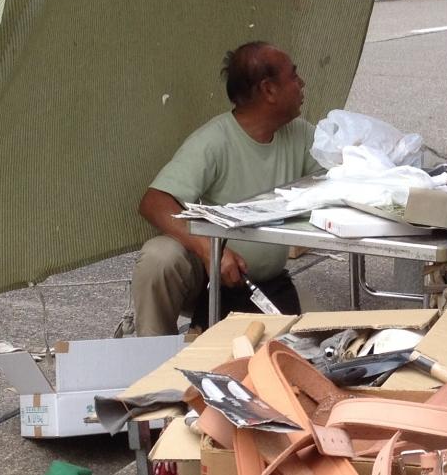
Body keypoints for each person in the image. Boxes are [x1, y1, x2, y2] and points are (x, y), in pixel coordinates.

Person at [133, 42, 317, 336]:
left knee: (324, 340)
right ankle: (154, 355)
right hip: (209, 278)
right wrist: (211, 251)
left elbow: (339, 180)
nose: (302, 83)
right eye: (294, 76)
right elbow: (154, 202)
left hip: (267, 282)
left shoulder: (301, 134)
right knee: (159, 258)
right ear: (269, 90)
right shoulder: (213, 141)